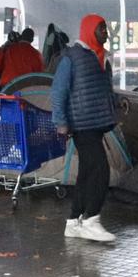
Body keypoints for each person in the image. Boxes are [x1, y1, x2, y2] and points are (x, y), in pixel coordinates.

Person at [50, 14, 118, 243]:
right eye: (101, 28)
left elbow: (104, 90)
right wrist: (61, 123)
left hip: (97, 123)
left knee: (87, 173)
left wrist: (116, 104)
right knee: (100, 169)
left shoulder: (102, 59)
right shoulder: (72, 57)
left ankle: (73, 222)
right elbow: (58, 92)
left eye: (106, 29)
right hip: (81, 124)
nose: (106, 33)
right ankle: (91, 220)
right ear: (89, 30)